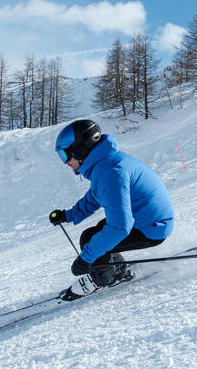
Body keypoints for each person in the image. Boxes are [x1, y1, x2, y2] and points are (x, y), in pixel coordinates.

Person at [49, 119, 174, 298]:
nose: (65, 162)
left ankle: (105, 278)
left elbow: (119, 227)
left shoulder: (110, 172)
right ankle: (115, 269)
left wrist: (86, 259)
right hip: (146, 218)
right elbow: (95, 197)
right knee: (97, 233)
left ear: (79, 150)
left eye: (65, 155)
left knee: (91, 240)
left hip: (153, 227)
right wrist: (68, 215)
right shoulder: (105, 164)